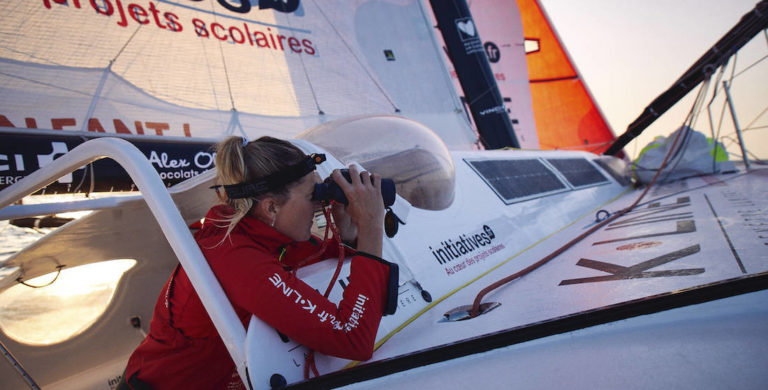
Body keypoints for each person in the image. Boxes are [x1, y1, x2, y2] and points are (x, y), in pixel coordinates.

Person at [119, 136, 398, 389]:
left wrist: (350, 234)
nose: (321, 204)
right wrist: (372, 225)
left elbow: (341, 272)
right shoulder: (236, 258)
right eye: (313, 195)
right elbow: (352, 338)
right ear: (271, 207)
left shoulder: (266, 236)